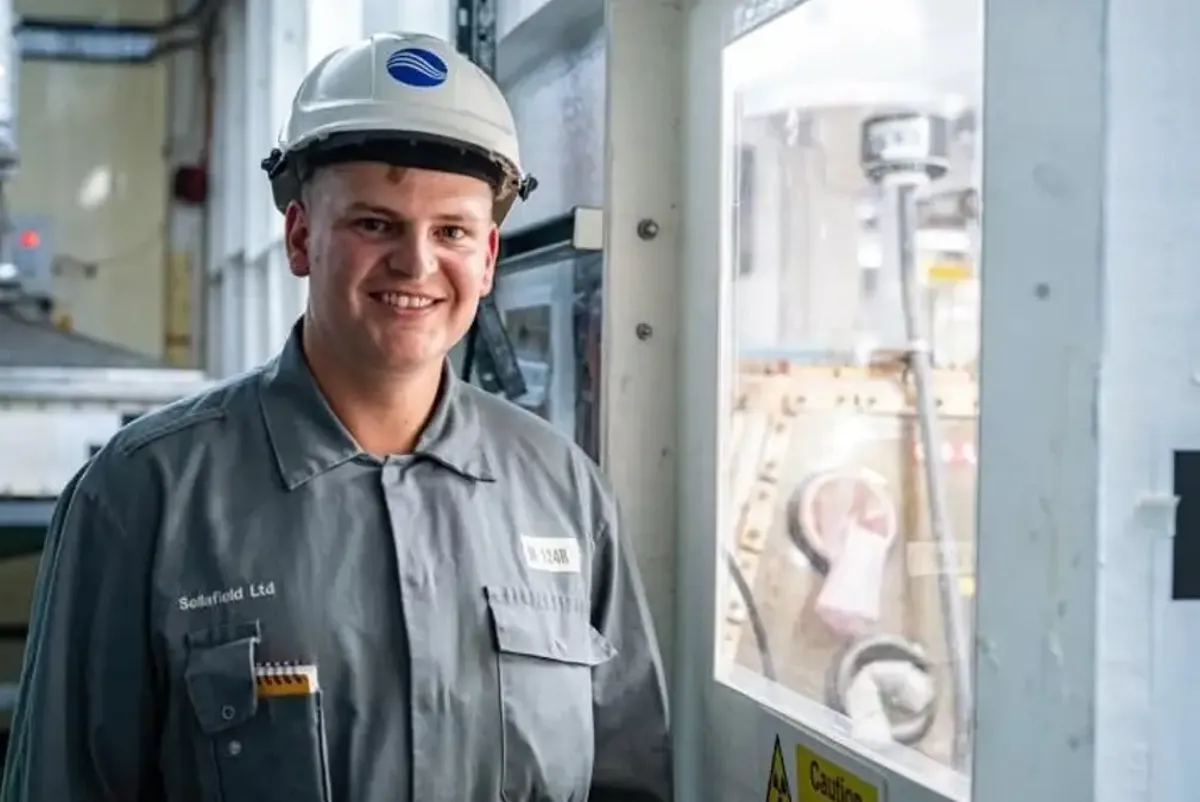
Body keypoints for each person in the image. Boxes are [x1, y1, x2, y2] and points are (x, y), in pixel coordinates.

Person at [0, 31, 671, 802]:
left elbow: (630, 781)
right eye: (374, 223)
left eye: (450, 231)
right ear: (299, 237)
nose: (416, 264)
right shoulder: (142, 496)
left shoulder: (564, 493)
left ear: (487, 258)